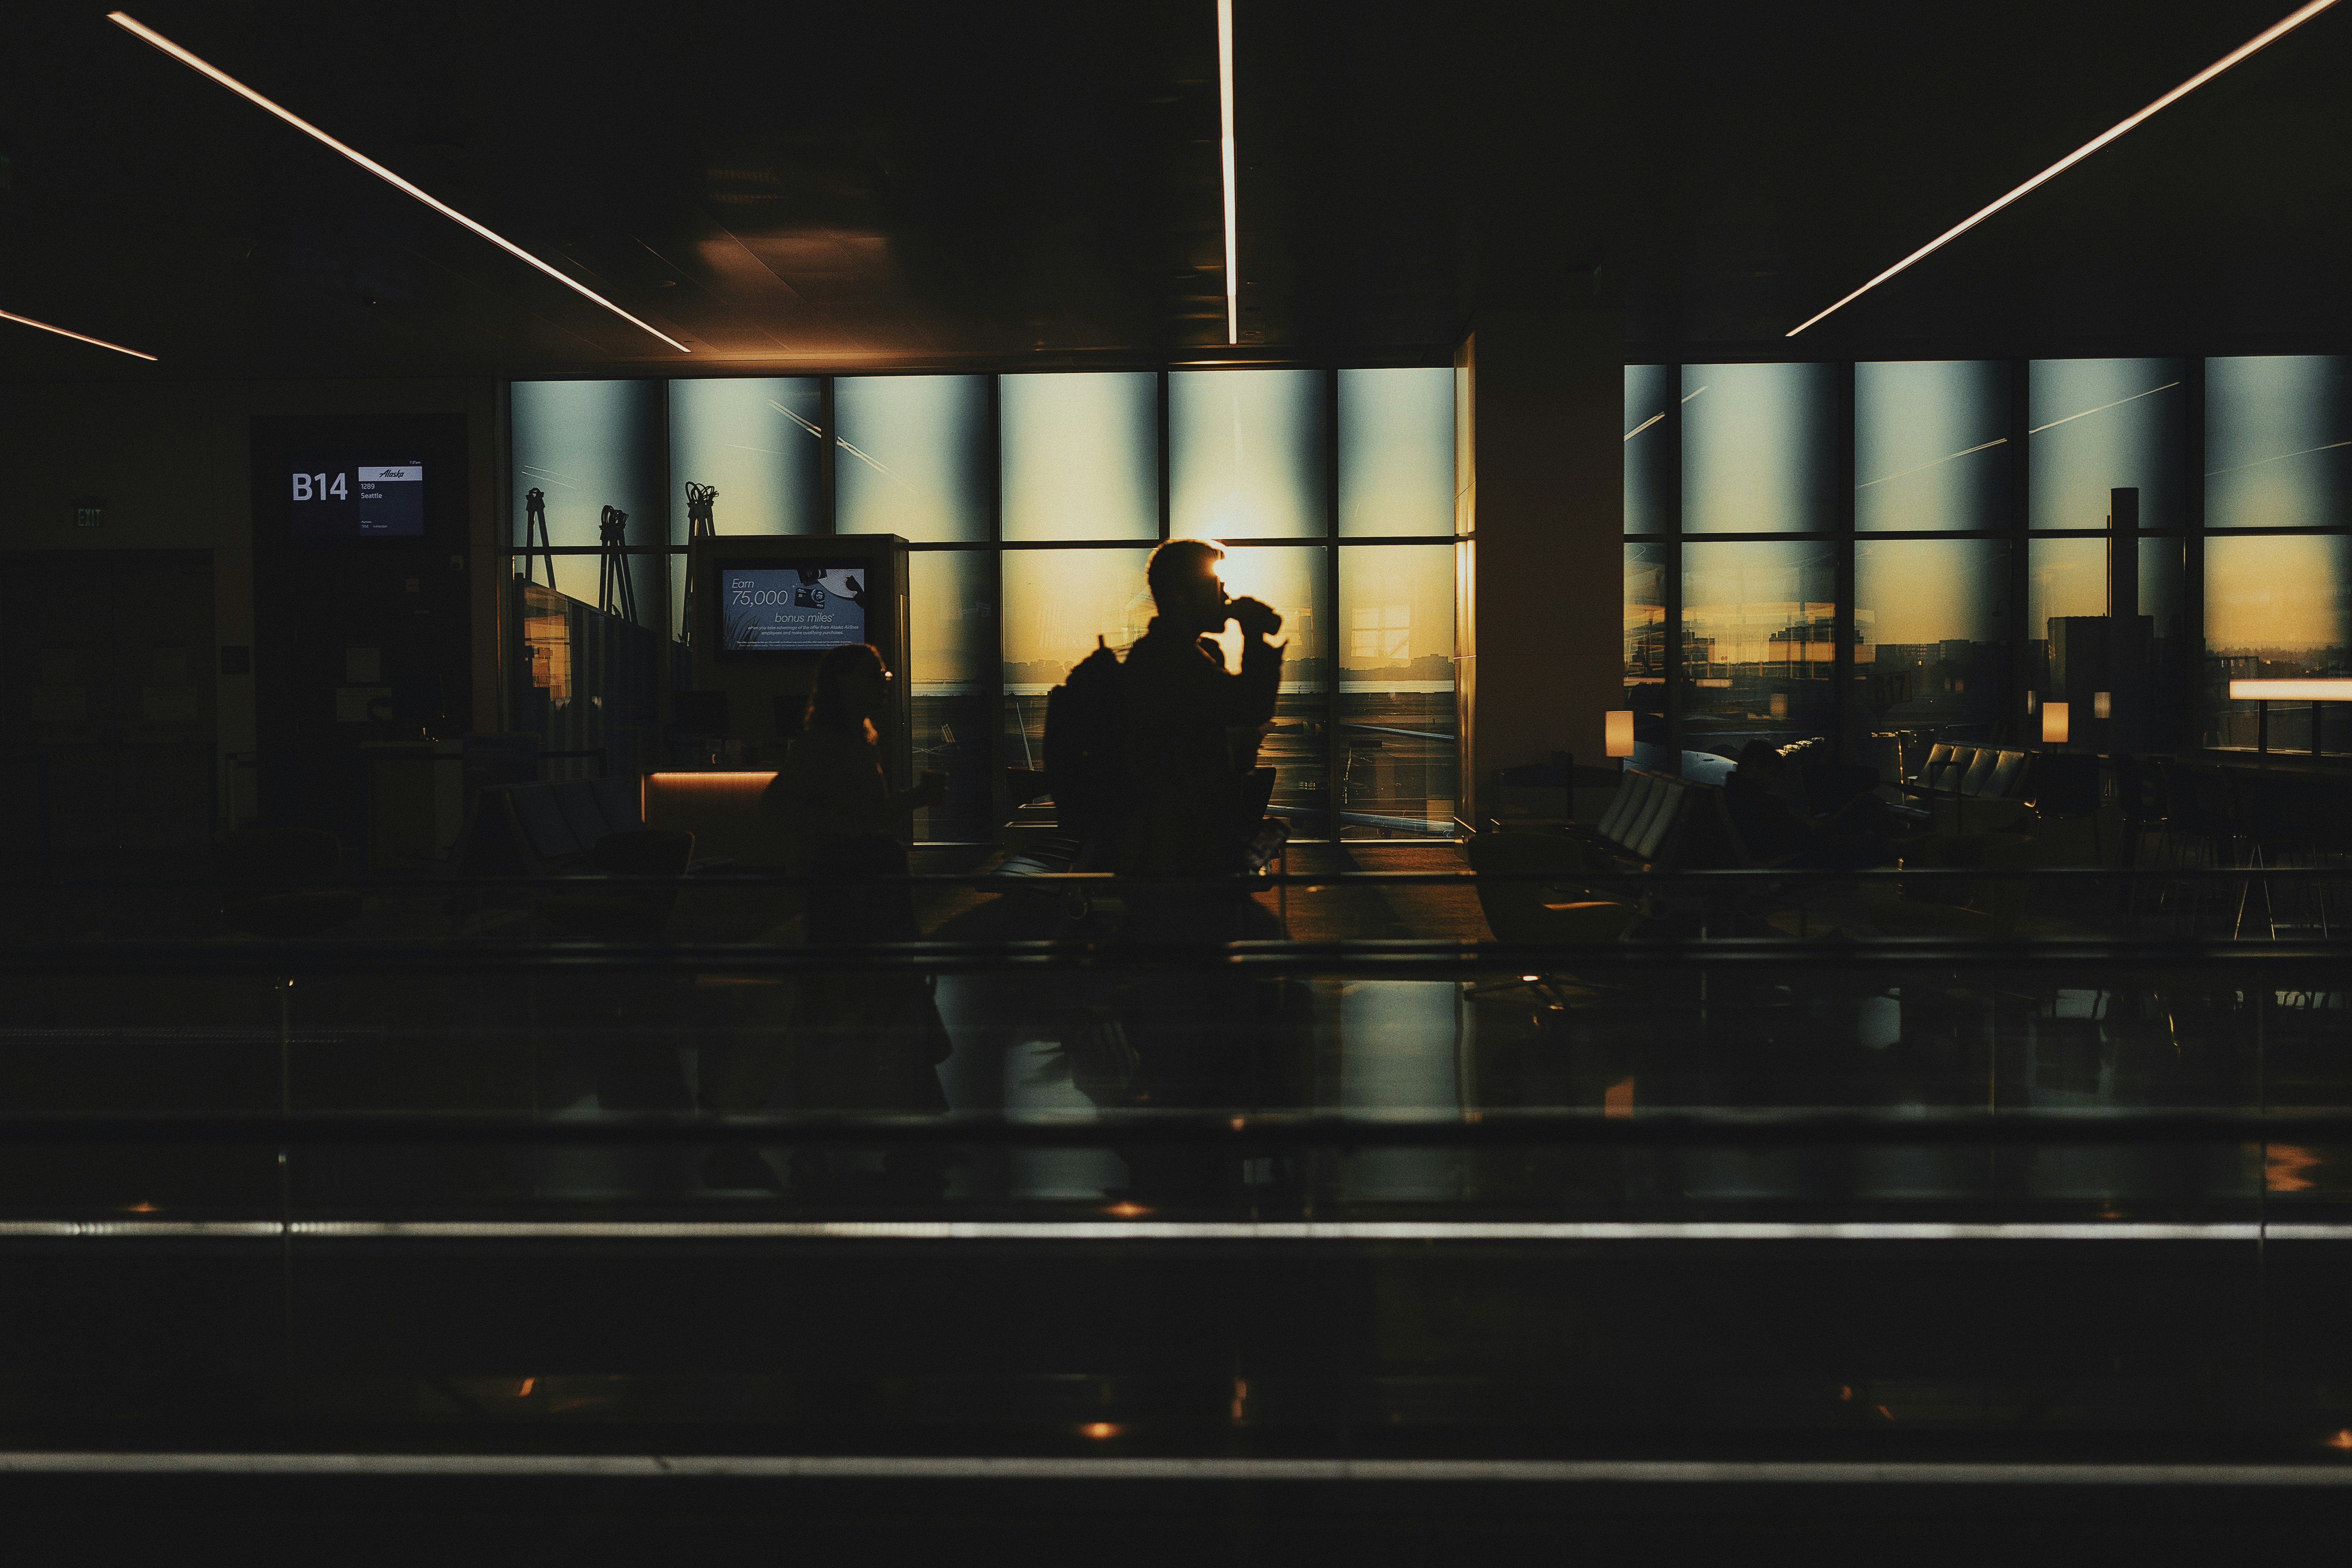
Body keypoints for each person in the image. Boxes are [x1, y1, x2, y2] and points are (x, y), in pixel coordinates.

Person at [701, 643, 950, 1192]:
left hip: (858, 895)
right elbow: (785, 809)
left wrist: (908, 801)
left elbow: (859, 814)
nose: (885, 682)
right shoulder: (828, 746)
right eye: (875, 675)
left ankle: (852, 1130)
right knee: (872, 1007)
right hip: (853, 900)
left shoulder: (852, 740)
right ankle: (911, 1125)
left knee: (856, 1011)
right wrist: (850, 832)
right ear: (844, 685)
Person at [1110, 538, 1286, 882]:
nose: (1225, 596)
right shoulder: (1173, 660)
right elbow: (1250, 706)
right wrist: (1252, 632)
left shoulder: (1171, 654)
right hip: (1181, 851)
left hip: (1171, 844)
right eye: (1215, 586)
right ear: (1181, 597)